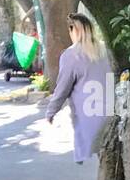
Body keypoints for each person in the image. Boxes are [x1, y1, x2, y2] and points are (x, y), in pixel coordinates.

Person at [45, 13, 111, 164]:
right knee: (109, 156)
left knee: (103, 156)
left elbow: (62, 88)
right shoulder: (106, 50)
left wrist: (51, 111)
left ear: (73, 30)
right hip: (113, 113)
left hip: (89, 115)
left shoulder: (71, 55)